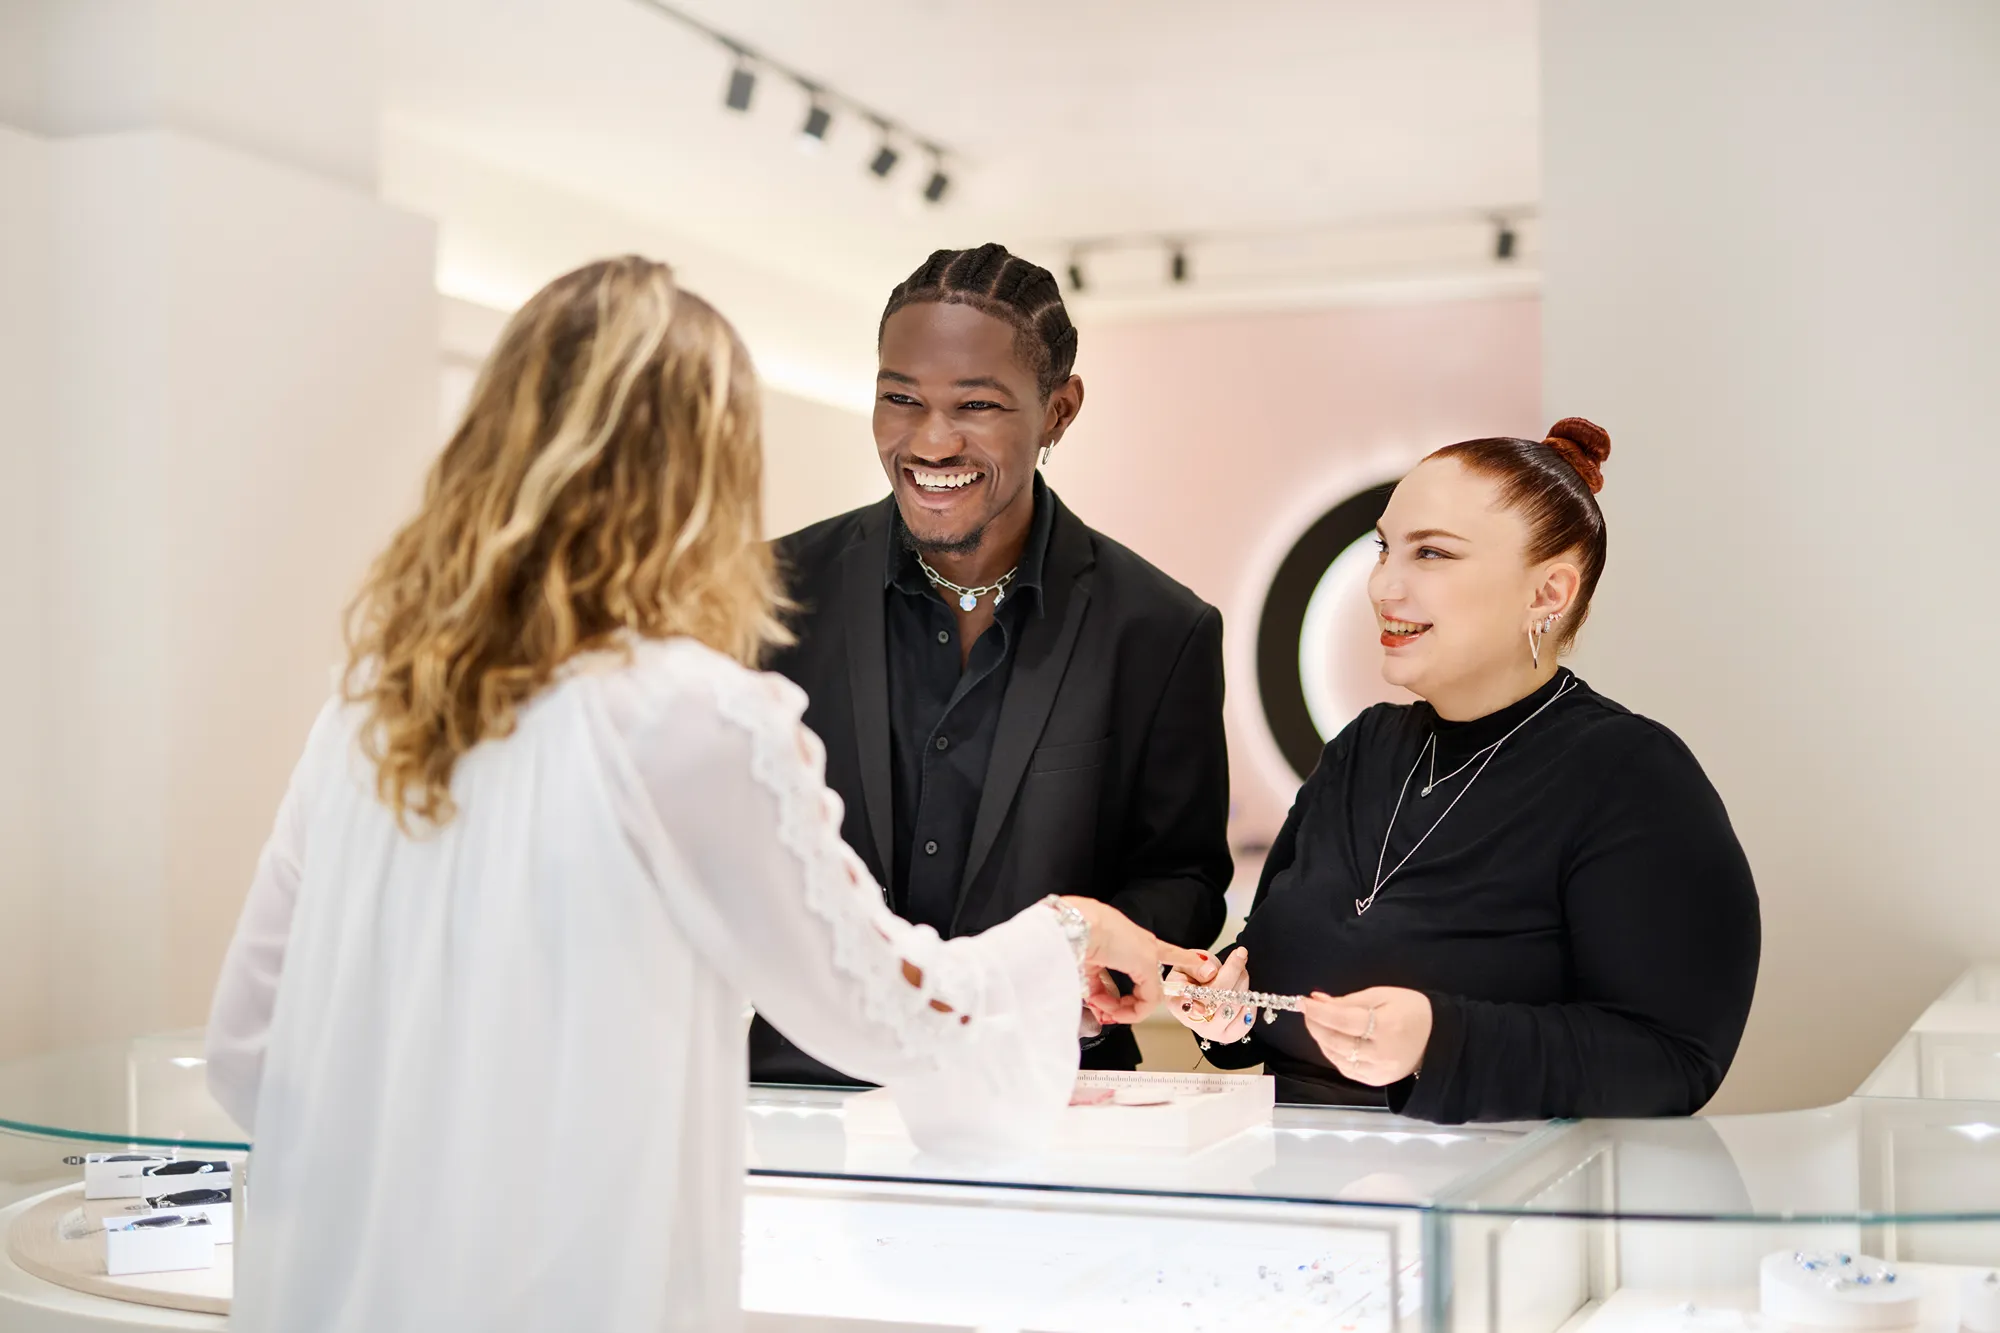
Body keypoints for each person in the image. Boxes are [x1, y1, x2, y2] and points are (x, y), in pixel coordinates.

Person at [203, 256, 1212, 1333]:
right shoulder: (691, 713)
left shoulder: (370, 700)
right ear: (700, 464)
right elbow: (874, 1008)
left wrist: (431, 1199)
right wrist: (1059, 937)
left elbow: (246, 1052)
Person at [1173, 420, 1760, 1122]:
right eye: (1384, 548)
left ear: (1548, 593)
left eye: (1432, 554)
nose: (1384, 585)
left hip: (1504, 1208)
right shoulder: (1361, 748)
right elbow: (1271, 968)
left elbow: (1673, 1059)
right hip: (1299, 1196)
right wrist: (1229, 1009)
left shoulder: (1631, 777)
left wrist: (1437, 1040)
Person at [751, 243, 1232, 1084]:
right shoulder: (765, 595)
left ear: (1059, 410)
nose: (931, 441)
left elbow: (1181, 873)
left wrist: (1092, 966)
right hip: (804, 1094)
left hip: (1045, 1097)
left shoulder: (1161, 628)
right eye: (900, 398)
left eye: (976, 404)